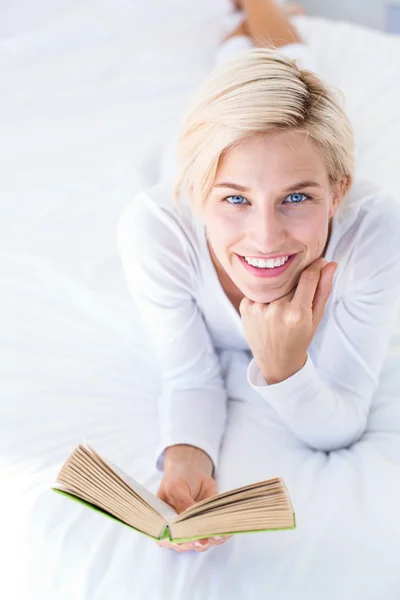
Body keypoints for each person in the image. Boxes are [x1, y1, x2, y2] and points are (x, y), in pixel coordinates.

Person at [117, 0, 400, 554]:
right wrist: (186, 458)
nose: (266, 238)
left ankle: (264, 8)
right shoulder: (158, 231)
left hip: (306, 137)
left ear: (338, 192)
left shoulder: (373, 234)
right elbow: (189, 376)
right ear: (200, 193)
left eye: (297, 197)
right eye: (234, 199)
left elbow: (341, 420)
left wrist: (284, 367)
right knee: (235, 72)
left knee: (297, 65)